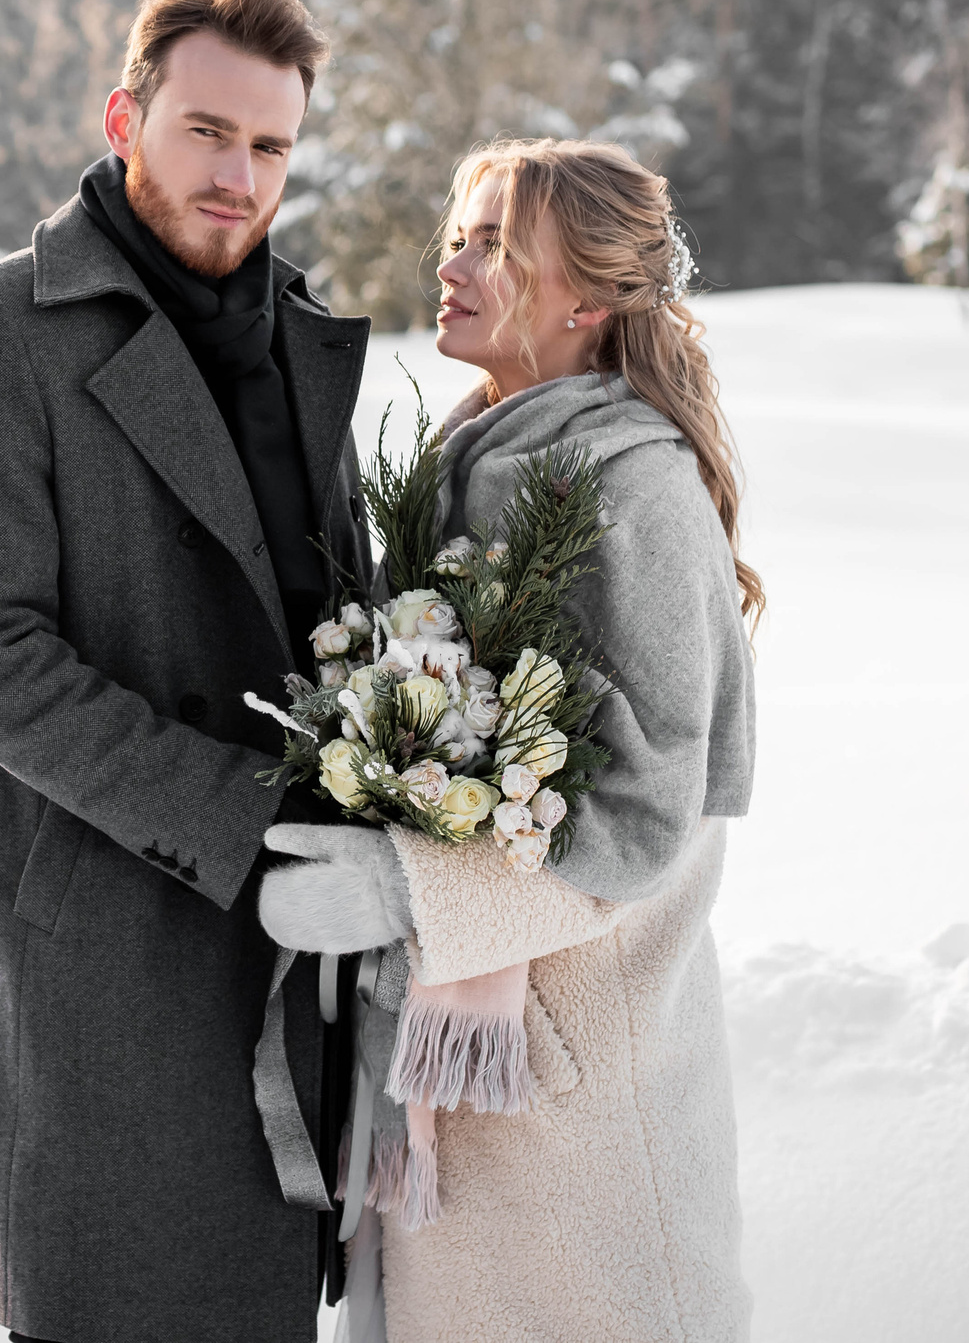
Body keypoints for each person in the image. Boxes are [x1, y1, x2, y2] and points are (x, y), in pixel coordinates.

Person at [0, 0, 374, 1343]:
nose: (239, 176)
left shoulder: (298, 336)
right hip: (105, 953)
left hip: (293, 960)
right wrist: (248, 813)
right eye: (207, 132)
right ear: (127, 116)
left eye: (271, 146)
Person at [259, 137, 759, 1342]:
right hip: (455, 1084)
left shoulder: (634, 492)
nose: (455, 261)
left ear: (586, 298)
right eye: (457, 233)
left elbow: (645, 815)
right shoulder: (462, 461)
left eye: (495, 243)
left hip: (578, 1103)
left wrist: (405, 884)